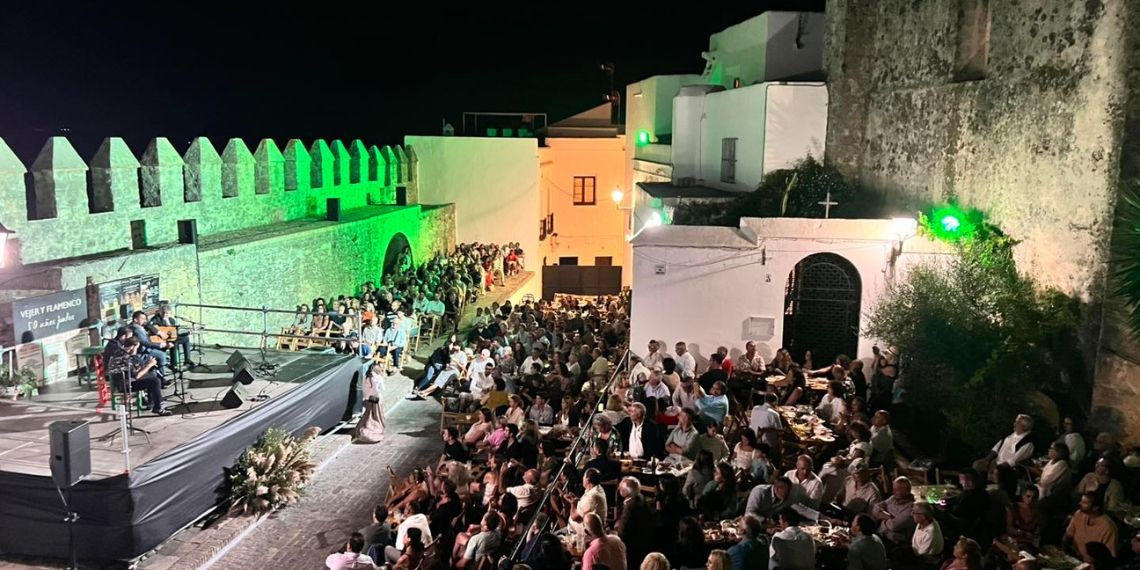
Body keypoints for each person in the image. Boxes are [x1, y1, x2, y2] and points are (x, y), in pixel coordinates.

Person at [107, 335, 171, 416]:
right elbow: (136, 376)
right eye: (136, 348)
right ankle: (158, 407)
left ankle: (154, 402)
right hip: (125, 385)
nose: (136, 350)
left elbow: (135, 370)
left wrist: (148, 366)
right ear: (132, 347)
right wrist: (149, 365)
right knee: (155, 381)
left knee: (153, 374)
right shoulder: (124, 357)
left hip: (128, 380)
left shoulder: (122, 352)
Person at [1063, 492, 1118, 563]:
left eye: (1085, 503)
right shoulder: (1078, 514)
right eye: (1081, 501)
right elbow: (1068, 536)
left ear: (1095, 508)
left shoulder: (1108, 527)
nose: (1080, 504)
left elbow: (1108, 557)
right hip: (1074, 557)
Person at [617, 477, 655, 570]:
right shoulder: (640, 497)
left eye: (621, 487)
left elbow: (623, 532)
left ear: (627, 491)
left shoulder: (630, 507)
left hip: (632, 547)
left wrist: (616, 531)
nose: (619, 489)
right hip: (643, 543)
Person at [873, 476, 915, 545]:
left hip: (896, 543)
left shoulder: (911, 508)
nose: (893, 492)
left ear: (906, 491)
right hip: (882, 535)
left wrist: (882, 521)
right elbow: (875, 509)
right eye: (893, 489)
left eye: (897, 490)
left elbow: (893, 526)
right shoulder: (892, 499)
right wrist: (889, 517)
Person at [150, 303, 194, 368]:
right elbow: (152, 327)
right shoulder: (156, 319)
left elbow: (175, 332)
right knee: (174, 342)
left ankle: (187, 360)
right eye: (163, 313)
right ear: (160, 312)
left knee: (186, 338)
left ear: (170, 313)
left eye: (167, 313)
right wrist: (161, 331)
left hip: (171, 338)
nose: (165, 315)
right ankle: (173, 364)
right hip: (160, 340)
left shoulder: (171, 320)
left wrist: (186, 333)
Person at [353, 363, 386, 444]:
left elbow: (363, 389)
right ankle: (375, 430)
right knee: (377, 416)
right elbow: (382, 389)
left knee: (368, 414)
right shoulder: (378, 378)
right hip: (376, 400)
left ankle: (365, 426)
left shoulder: (366, 377)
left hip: (367, 400)